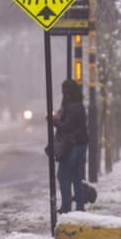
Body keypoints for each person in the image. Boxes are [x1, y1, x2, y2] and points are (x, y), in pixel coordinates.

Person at [50, 79, 90, 213]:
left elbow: (67, 127)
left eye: (64, 90)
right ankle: (80, 207)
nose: (62, 93)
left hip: (72, 145)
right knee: (75, 177)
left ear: (68, 91)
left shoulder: (72, 106)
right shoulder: (78, 104)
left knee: (63, 176)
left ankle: (66, 208)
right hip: (81, 145)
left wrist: (54, 121)